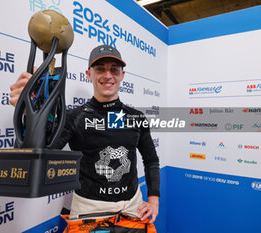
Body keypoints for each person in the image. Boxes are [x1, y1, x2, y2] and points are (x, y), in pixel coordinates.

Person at [9, 45, 160, 224]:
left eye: (114, 69)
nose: (108, 75)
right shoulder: (74, 118)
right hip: (89, 213)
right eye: (100, 69)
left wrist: (153, 200)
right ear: (89, 74)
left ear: (122, 76)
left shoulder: (136, 117)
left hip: (132, 210)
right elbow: (33, 159)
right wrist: (30, 117)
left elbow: (151, 160)